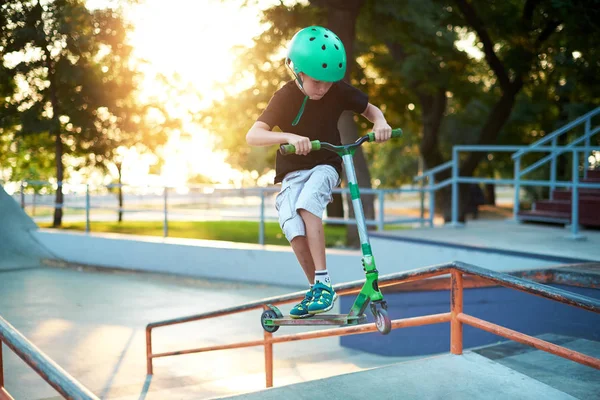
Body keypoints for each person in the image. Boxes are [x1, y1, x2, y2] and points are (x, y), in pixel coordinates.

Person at [245, 26, 392, 319]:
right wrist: (286, 137)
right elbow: (253, 135)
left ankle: (324, 282)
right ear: (297, 71)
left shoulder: (336, 90)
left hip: (326, 164)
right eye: (316, 82)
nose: (323, 88)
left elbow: (370, 109)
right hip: (291, 172)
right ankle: (317, 288)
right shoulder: (285, 96)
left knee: (308, 203)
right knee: (292, 224)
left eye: (328, 83)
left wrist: (380, 122)